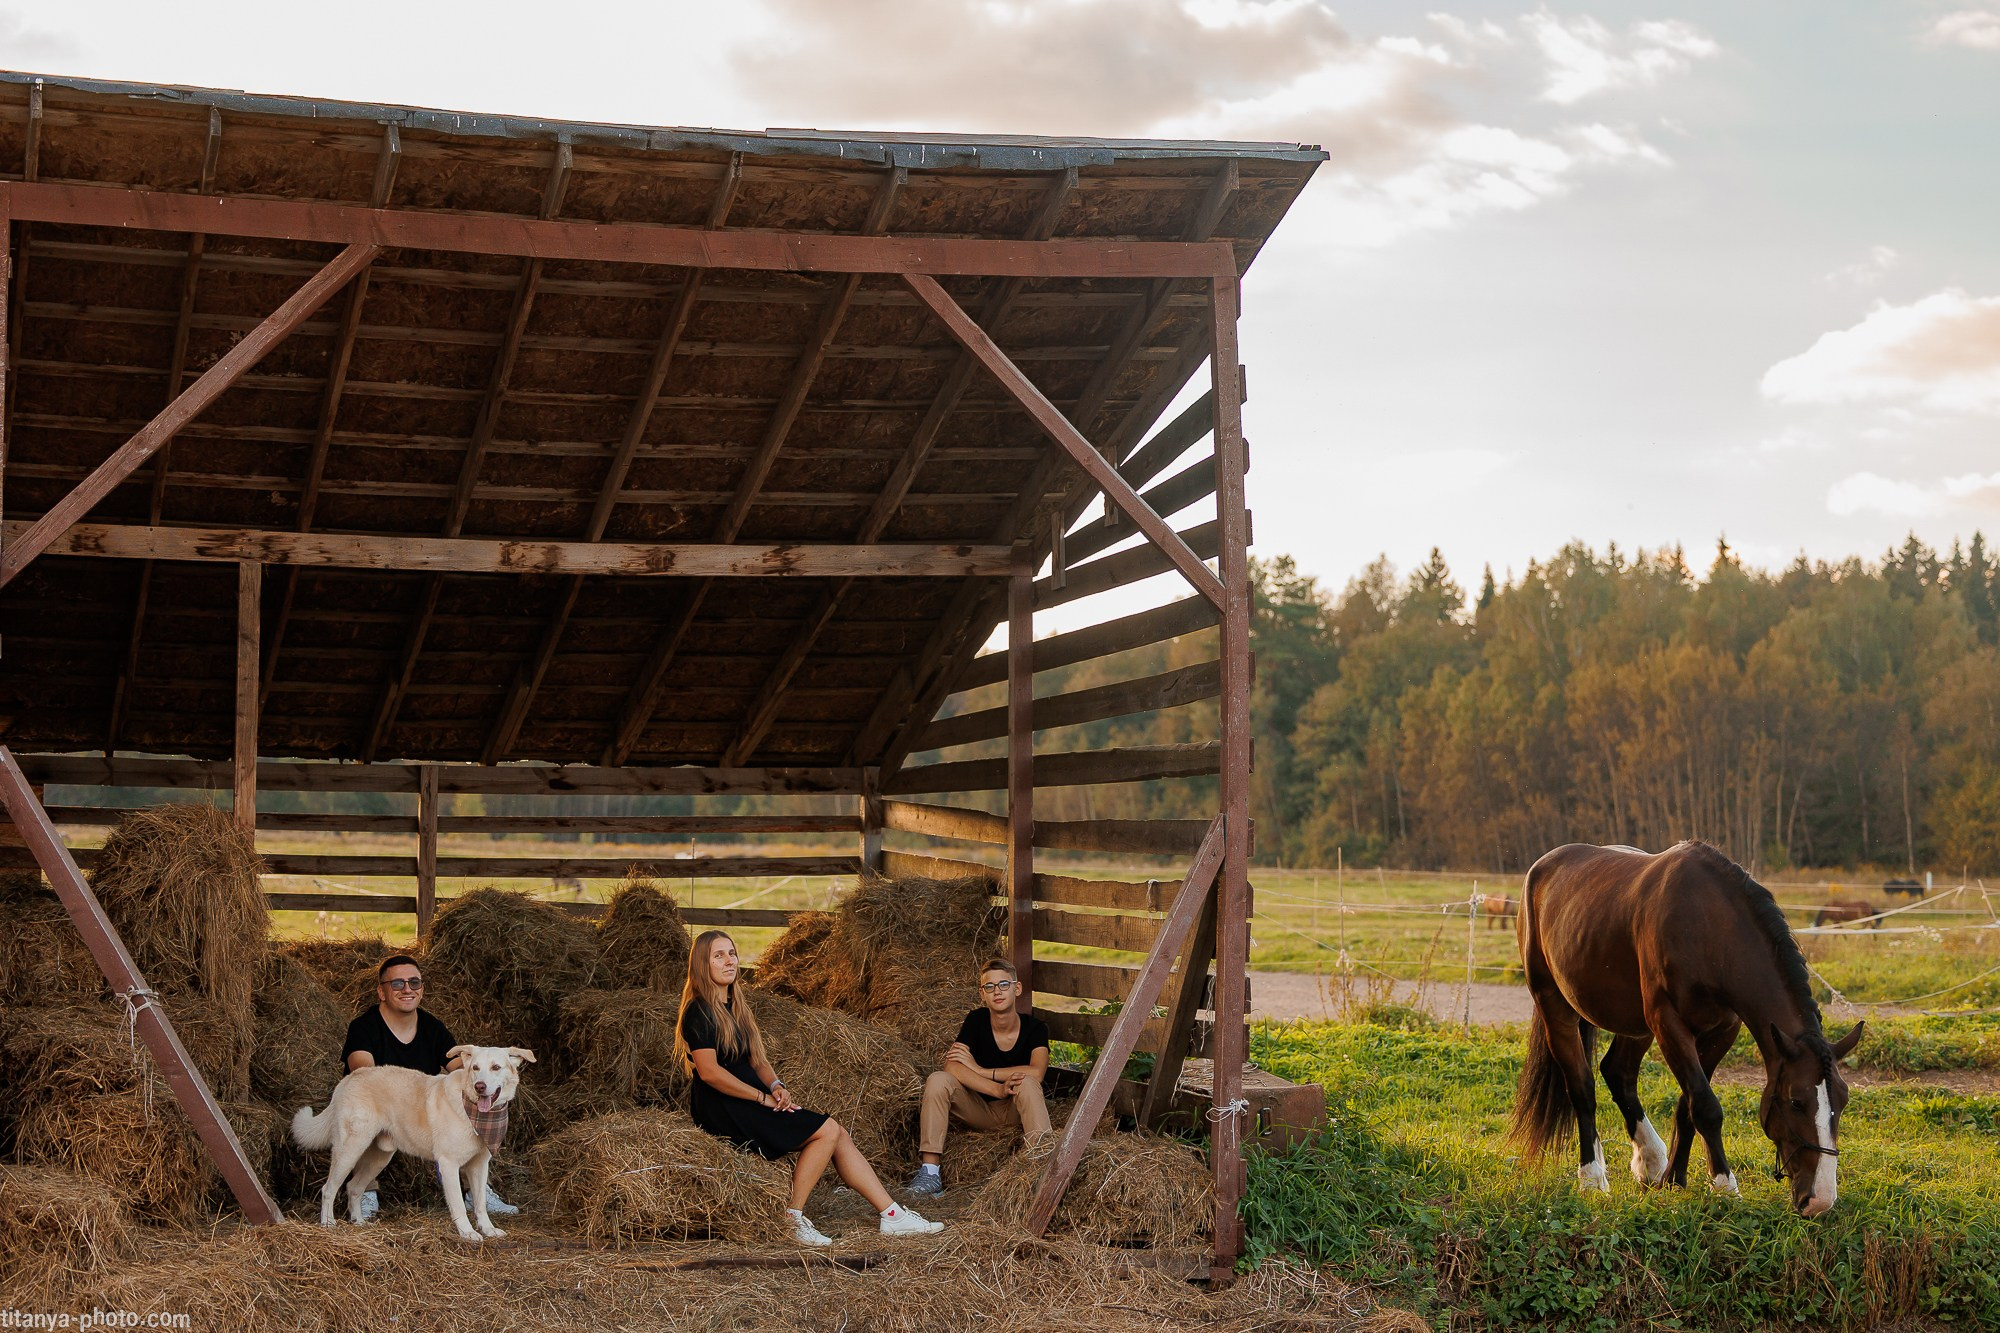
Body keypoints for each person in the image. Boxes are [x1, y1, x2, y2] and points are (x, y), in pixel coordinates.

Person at [674, 930, 943, 1247]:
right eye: (718, 955)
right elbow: (710, 1074)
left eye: (731, 953)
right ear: (702, 964)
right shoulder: (699, 1010)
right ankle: (793, 1217)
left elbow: (757, 1061)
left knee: (838, 1133)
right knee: (827, 1131)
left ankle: (892, 1215)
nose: (728, 960)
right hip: (723, 1106)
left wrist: (776, 1086)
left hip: (751, 1099)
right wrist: (761, 1098)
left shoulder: (736, 1007)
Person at [339, 954, 518, 1221]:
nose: (407, 989)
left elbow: (458, 1066)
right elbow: (364, 1072)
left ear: (422, 989)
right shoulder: (364, 1027)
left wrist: (484, 1070)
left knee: (463, 1119)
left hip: (421, 1105)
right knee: (365, 1118)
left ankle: (475, 1193)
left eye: (414, 982)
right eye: (397, 983)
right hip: (381, 1100)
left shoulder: (432, 1027)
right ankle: (366, 1191)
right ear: (381, 991)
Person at [906, 958, 1050, 1198]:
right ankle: (930, 1172)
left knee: (1026, 1081)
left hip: (1016, 1108)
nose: (997, 992)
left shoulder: (1035, 1028)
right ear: (982, 994)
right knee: (938, 1079)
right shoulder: (976, 1020)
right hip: (979, 1109)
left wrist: (981, 1071)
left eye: (1004, 984)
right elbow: (952, 1066)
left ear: (1017, 988)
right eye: (990, 987)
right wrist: (996, 1089)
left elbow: (1037, 1072)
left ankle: (1042, 1165)